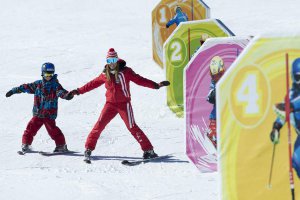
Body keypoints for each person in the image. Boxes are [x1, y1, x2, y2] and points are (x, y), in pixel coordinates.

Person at [69, 48, 170, 162]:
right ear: (107, 62)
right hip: (110, 105)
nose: (112, 63)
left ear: (117, 60)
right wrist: (77, 91)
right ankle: (88, 148)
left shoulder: (126, 72)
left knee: (132, 127)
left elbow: (139, 80)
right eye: (109, 61)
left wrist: (156, 85)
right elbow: (92, 84)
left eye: (114, 60)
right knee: (99, 125)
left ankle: (148, 150)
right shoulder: (104, 74)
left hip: (124, 105)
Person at [5, 63, 74, 154]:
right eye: (47, 74)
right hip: (38, 113)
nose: (49, 76)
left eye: (51, 74)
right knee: (30, 129)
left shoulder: (56, 85)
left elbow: (61, 92)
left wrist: (67, 95)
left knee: (53, 131)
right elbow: (26, 87)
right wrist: (14, 91)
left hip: (49, 114)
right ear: (42, 73)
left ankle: (61, 146)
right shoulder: (38, 85)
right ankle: (26, 144)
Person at [270, 57, 300, 178]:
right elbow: (283, 114)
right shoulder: (291, 94)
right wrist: (276, 127)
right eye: (299, 78)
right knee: (297, 160)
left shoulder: (293, 100)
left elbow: (294, 104)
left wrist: (292, 105)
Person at [206, 56, 225, 148]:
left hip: (226, 115)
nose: (216, 78)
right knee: (212, 134)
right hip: (215, 116)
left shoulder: (227, 80)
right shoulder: (214, 84)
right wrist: (216, 91)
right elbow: (210, 98)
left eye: (219, 75)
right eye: (214, 76)